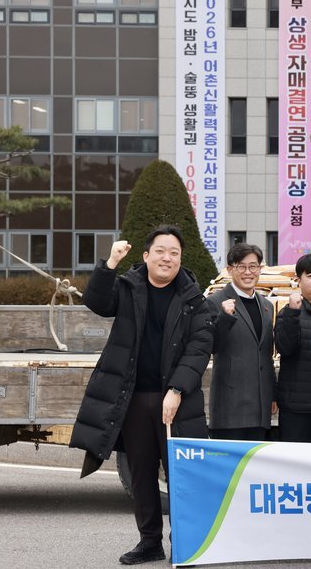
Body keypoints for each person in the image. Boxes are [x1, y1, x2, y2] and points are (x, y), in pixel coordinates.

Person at [70, 226, 212, 565]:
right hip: (133, 398)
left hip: (176, 402)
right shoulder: (127, 287)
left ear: (181, 259)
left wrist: (176, 389)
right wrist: (109, 264)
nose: (167, 258)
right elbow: (97, 302)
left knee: (181, 475)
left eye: (174, 253)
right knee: (142, 473)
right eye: (160, 251)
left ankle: (185, 543)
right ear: (146, 256)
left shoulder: (194, 299)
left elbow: (199, 347)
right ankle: (149, 542)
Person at [206, 243, 275, 441]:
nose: (248, 272)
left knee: (255, 460)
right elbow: (210, 346)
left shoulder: (267, 305)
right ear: (230, 269)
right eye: (241, 266)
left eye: (253, 266)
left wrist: (273, 395)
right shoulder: (215, 301)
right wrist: (225, 318)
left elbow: (266, 354)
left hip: (260, 407)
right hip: (230, 407)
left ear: (260, 269)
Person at [275, 253, 311, 443]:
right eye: (310, 275)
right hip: (298, 407)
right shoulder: (289, 312)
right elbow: (285, 348)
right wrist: (292, 313)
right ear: (298, 280)